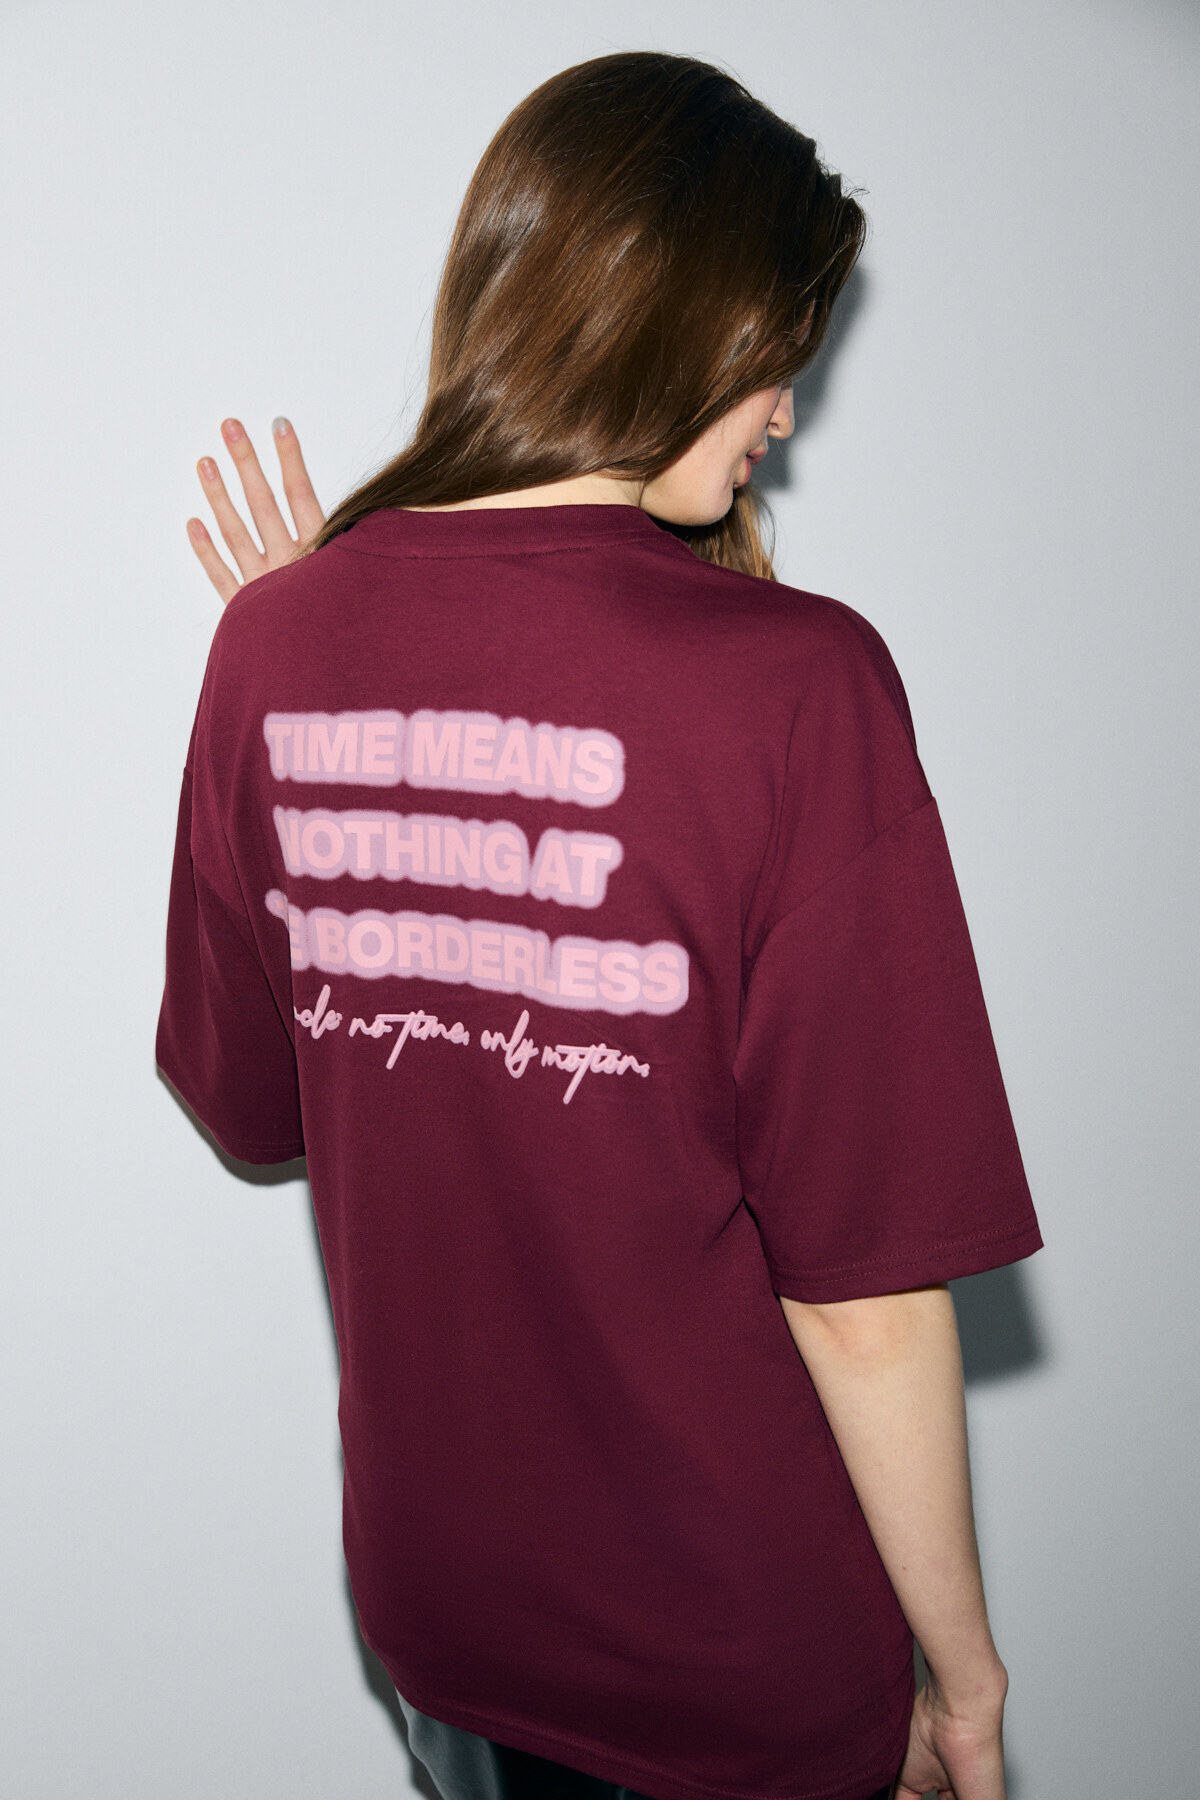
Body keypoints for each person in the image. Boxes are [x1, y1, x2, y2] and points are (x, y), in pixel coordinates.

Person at [158, 51, 1042, 1800]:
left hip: (447, 1635)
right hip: (731, 1664)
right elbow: (867, 1298)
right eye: (779, 351)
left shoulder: (274, 644)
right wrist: (968, 1681)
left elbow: (257, 1105)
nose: (786, 411)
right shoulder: (801, 687)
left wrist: (322, 672)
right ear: (678, 314)